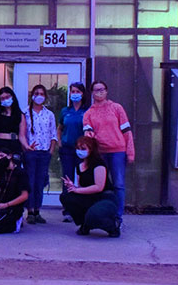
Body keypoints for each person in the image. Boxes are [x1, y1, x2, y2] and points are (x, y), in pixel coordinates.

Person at [83, 80, 135, 226]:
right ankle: (102, 214)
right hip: (100, 153)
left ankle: (118, 216)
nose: (99, 92)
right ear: (92, 93)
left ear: (106, 91)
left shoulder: (117, 108)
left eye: (102, 89)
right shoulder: (89, 113)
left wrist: (130, 152)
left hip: (118, 151)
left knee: (118, 184)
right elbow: (88, 135)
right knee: (101, 185)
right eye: (96, 90)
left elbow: (127, 131)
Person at [59, 136, 119, 237]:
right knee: (66, 196)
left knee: (94, 216)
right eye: (78, 148)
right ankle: (84, 224)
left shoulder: (99, 164)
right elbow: (82, 186)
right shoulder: (79, 166)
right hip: (90, 197)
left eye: (83, 149)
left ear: (91, 150)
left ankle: (112, 226)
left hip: (105, 198)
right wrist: (73, 187)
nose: (79, 151)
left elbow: (98, 187)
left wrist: (77, 190)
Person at [19, 84, 58, 224]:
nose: (39, 96)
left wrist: (51, 151)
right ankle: (29, 210)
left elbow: (53, 134)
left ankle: (37, 210)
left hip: (44, 153)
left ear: (45, 97)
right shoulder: (25, 113)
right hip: (31, 153)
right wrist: (26, 148)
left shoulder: (49, 114)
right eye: (37, 93)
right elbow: (22, 134)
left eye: (42, 93)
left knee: (40, 182)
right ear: (32, 95)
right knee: (30, 181)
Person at [58, 82, 89, 221]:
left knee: (83, 178)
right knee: (67, 178)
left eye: (78, 91)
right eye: (73, 91)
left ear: (82, 94)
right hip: (67, 149)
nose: (75, 94)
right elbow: (60, 128)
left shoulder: (87, 111)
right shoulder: (65, 111)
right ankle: (68, 209)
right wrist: (59, 142)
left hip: (82, 150)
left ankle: (82, 207)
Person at [0, 87, 23, 172]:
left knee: (14, 172)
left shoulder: (19, 114)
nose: (5, 99)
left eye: (7, 97)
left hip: (14, 144)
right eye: (2, 98)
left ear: (12, 97)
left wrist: (27, 146)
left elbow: (22, 135)